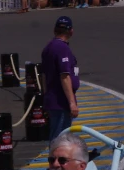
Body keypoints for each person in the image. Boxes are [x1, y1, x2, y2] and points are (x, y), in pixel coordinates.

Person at [41, 16, 80, 146]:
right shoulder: (62, 49)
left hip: (52, 98)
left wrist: (46, 96)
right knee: (61, 140)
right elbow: (64, 76)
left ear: (55, 30)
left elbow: (44, 76)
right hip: (61, 101)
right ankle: (56, 165)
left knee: (57, 137)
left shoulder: (48, 48)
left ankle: (56, 164)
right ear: (71, 31)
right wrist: (72, 103)